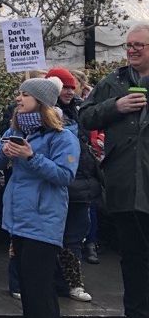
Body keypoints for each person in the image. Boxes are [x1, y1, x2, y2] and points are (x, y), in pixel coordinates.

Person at [0, 78, 79, 318]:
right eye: (19, 93)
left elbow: (65, 175)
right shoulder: (17, 129)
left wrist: (31, 157)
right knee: (28, 288)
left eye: (25, 95)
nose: (18, 98)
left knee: (39, 288)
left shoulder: (63, 136)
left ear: (41, 102)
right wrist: (3, 149)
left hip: (43, 221)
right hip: (18, 219)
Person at [79, 24, 149, 318]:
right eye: (128, 45)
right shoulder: (114, 81)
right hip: (124, 185)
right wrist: (115, 106)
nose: (131, 50)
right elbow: (84, 117)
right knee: (133, 259)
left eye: (139, 45)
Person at [47, 68, 98, 303]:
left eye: (71, 86)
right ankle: (53, 282)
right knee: (53, 238)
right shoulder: (44, 113)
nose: (68, 91)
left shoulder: (82, 109)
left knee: (75, 237)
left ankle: (73, 283)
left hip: (82, 183)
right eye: (63, 87)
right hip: (58, 185)